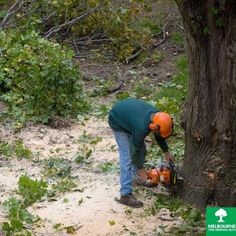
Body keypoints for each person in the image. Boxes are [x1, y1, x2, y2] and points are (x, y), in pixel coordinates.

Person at [108, 98, 174, 208]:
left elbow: (159, 135)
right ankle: (125, 194)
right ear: (153, 127)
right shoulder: (141, 127)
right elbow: (135, 152)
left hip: (129, 118)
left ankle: (135, 178)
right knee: (128, 157)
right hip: (117, 120)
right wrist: (140, 169)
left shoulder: (159, 118)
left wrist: (166, 151)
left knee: (142, 150)